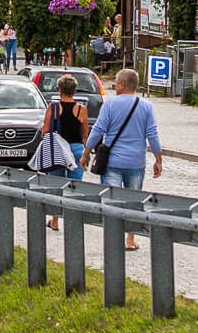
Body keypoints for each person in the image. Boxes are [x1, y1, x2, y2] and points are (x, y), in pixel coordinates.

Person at [84, 69, 161, 250]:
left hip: (112, 163)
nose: (115, 85)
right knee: (133, 202)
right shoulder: (146, 106)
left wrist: (86, 153)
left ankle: (113, 239)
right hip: (136, 163)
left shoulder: (110, 104)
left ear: (123, 84)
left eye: (117, 82)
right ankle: (130, 239)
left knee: (112, 202)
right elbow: (152, 134)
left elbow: (98, 130)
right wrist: (158, 159)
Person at [40, 76, 88, 230]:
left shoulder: (53, 108)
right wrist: (86, 152)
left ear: (59, 90)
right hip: (76, 150)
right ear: (75, 91)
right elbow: (85, 135)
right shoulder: (81, 109)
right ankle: (73, 221)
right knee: (75, 186)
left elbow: (45, 131)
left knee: (56, 185)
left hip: (57, 150)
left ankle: (55, 220)